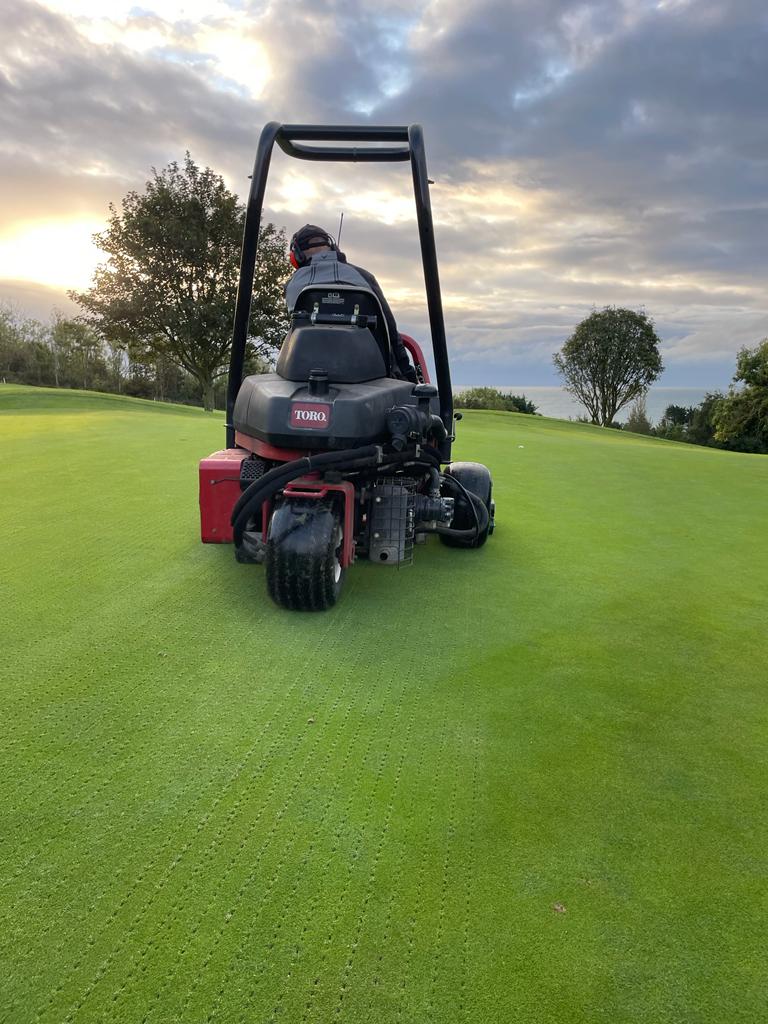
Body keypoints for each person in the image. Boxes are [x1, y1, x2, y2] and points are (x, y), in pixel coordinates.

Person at [285, 224, 417, 382]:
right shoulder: (364, 277)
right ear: (333, 247)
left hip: (307, 374)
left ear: (296, 257)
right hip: (371, 374)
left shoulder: (292, 285)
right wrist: (408, 376)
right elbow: (390, 329)